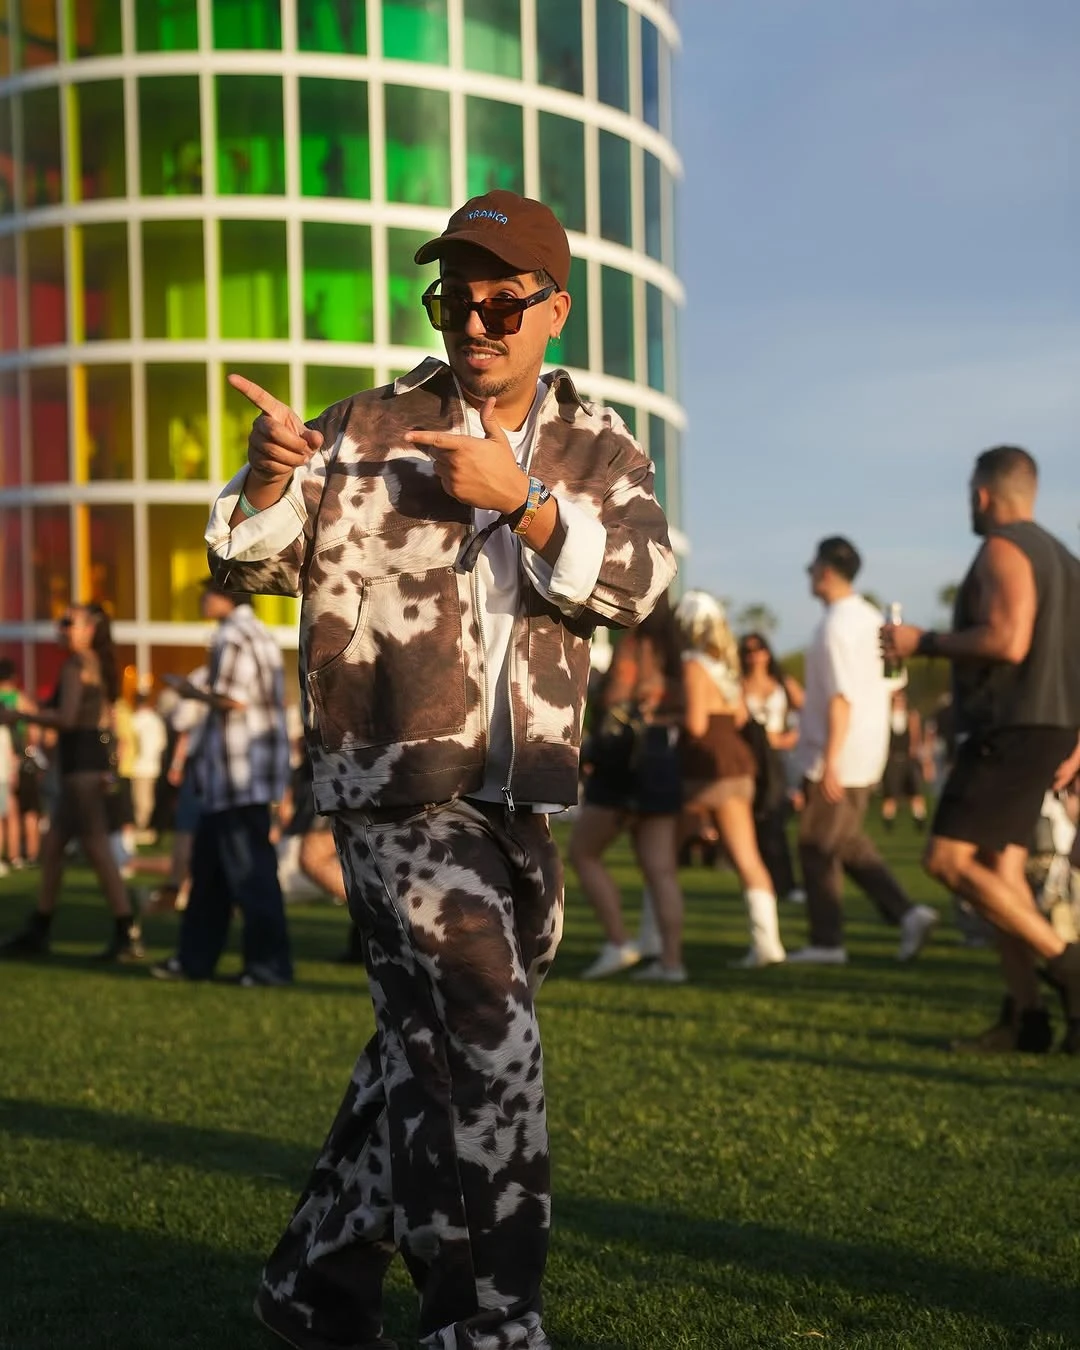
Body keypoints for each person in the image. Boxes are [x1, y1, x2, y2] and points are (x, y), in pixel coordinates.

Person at [203, 188, 675, 1350]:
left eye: (501, 303)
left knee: (430, 1048)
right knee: (482, 1036)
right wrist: (266, 482)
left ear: (554, 310)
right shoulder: (368, 426)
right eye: (452, 301)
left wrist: (530, 506)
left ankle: (311, 1286)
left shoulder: (601, 448)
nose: (473, 323)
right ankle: (487, 1322)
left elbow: (642, 583)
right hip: (392, 787)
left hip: (525, 796)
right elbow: (246, 565)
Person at [884, 446, 1080, 1053]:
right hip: (1049, 728)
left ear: (983, 494)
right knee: (1000, 873)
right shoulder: (1066, 560)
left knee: (946, 860)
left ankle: (1067, 966)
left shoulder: (1003, 547)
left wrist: (921, 642)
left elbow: (1008, 640)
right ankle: (1027, 1020)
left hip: (1009, 728)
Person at [791, 537, 938, 965]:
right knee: (848, 842)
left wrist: (830, 762)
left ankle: (827, 943)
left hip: (841, 754)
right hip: (868, 750)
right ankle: (909, 915)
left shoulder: (836, 626)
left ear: (826, 571)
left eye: (812, 567)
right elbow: (895, 682)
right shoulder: (874, 619)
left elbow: (841, 698)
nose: (809, 575)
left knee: (816, 845)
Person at [151, 581, 292, 985]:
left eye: (207, 592)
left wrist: (189, 691)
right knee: (209, 875)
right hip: (241, 776)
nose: (201, 599)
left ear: (226, 596)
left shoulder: (233, 635)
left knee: (251, 876)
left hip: (237, 775)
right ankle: (194, 961)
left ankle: (267, 967)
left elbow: (232, 698)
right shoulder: (258, 633)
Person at [0, 606, 143, 961]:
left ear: (89, 629)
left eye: (69, 622)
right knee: (53, 847)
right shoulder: (95, 664)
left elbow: (66, 719)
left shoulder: (77, 665)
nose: (60, 628)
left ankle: (126, 930)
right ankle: (40, 927)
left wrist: (19, 714)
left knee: (96, 846)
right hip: (85, 765)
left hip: (82, 767)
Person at [569, 591, 687, 982]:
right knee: (661, 870)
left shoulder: (636, 644)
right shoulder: (677, 649)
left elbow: (618, 696)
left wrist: (601, 690)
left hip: (626, 760)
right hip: (663, 756)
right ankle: (672, 962)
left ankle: (618, 941)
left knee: (583, 853)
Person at [676, 591, 786, 967]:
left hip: (707, 769)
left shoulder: (693, 664)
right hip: (738, 763)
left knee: (661, 857)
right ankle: (768, 944)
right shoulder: (727, 666)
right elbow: (739, 717)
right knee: (748, 858)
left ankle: (655, 940)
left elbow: (696, 724)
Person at [739, 631, 805, 901]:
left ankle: (785, 883)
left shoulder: (783, 683)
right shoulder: (739, 684)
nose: (754, 656)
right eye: (748, 651)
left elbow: (810, 712)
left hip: (779, 758)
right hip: (751, 756)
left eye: (759, 649)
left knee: (775, 817)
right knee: (756, 820)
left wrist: (793, 736)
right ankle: (765, 884)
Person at [880, 686, 929, 830]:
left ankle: (919, 820)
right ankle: (888, 823)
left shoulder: (911, 716)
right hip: (892, 760)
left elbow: (916, 738)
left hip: (908, 759)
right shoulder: (885, 718)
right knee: (890, 795)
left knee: (915, 792)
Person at [130, 690, 169, 841]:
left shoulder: (135, 720)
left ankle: (142, 828)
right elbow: (162, 744)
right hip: (153, 765)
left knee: (140, 799)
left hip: (138, 766)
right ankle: (145, 826)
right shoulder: (156, 720)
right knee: (148, 798)